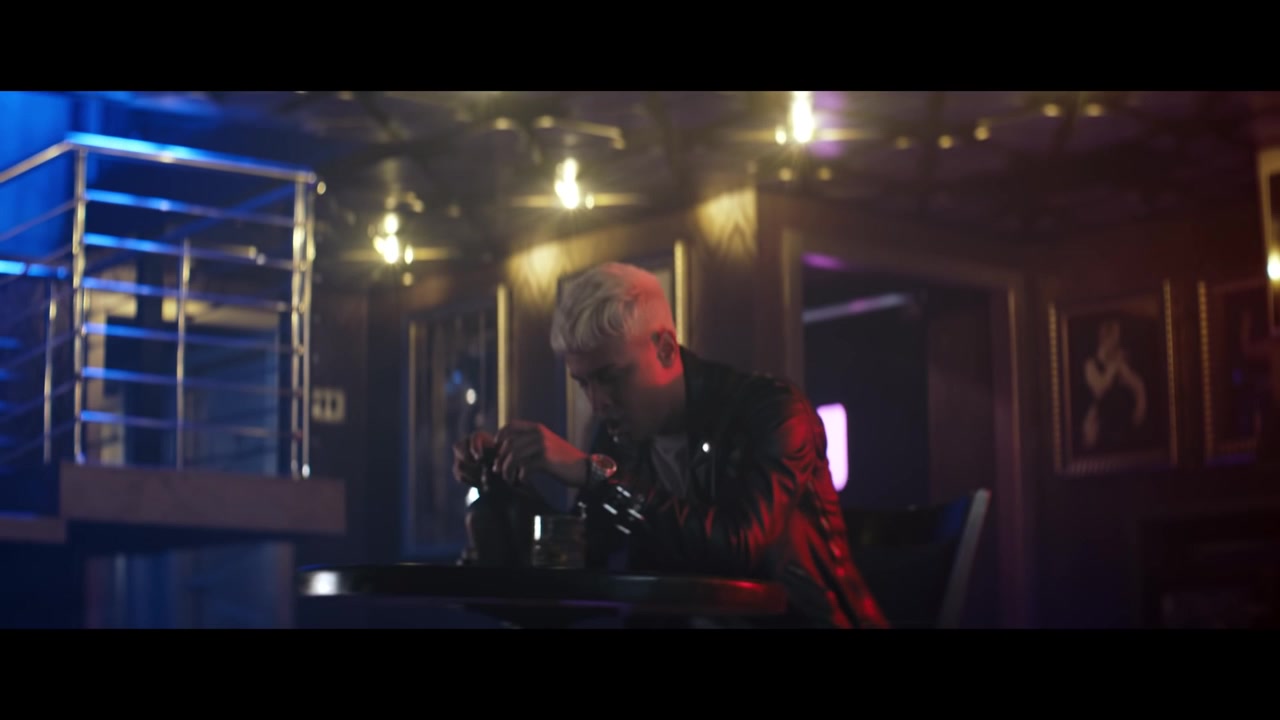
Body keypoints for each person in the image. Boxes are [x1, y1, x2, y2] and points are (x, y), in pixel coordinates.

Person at [452, 261, 888, 629]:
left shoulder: (772, 411)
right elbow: (582, 564)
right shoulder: (619, 437)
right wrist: (502, 487)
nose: (597, 403)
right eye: (584, 383)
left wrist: (596, 474)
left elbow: (738, 547)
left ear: (664, 348)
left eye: (611, 377)